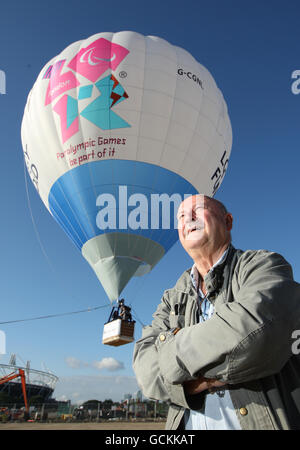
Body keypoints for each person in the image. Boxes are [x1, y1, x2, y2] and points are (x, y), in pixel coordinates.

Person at [133, 194, 300, 430]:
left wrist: (171, 357)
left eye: (198, 209)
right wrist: (203, 379)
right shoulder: (171, 298)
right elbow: (146, 373)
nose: (188, 218)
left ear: (228, 221)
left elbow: (257, 333)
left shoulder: (264, 265)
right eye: (180, 216)